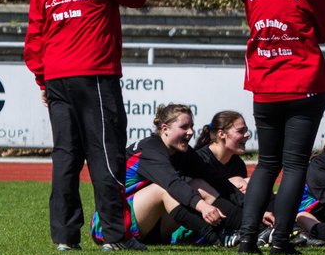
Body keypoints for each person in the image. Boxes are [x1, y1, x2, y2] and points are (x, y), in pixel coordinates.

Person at [25, 0, 149, 251]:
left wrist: (42, 80)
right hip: (94, 70)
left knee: (66, 155)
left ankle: (65, 237)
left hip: (57, 75)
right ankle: (114, 234)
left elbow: (35, 34)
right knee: (106, 152)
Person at [236, 0, 325, 255]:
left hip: (264, 84)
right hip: (302, 81)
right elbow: (322, 32)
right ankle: (279, 240)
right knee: (294, 165)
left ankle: (247, 238)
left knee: (266, 163)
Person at [92, 104, 240, 246]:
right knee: (162, 190)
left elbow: (215, 179)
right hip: (111, 225)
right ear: (165, 129)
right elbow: (172, 183)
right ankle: (217, 236)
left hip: (152, 226)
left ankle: (251, 229)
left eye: (191, 127)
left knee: (199, 185)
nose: (190, 132)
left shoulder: (183, 151)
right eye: (184, 127)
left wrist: (253, 214)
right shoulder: (150, 149)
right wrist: (203, 206)